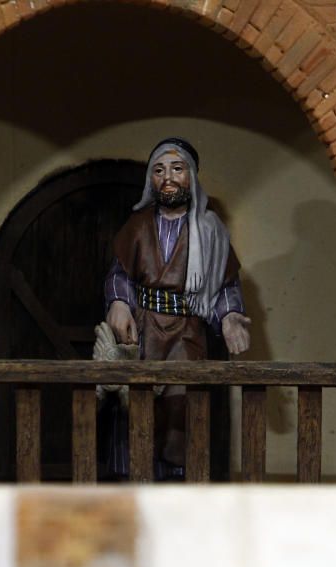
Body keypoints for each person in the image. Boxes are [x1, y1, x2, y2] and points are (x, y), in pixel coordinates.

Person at [104, 137, 250, 479]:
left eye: (177, 168)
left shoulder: (211, 230)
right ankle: (133, 480)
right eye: (158, 170)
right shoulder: (138, 225)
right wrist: (120, 304)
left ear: (192, 176)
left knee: (182, 412)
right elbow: (119, 273)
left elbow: (224, 285)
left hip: (187, 336)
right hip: (141, 334)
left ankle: (178, 482)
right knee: (134, 408)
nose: (167, 177)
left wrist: (230, 317)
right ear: (150, 180)